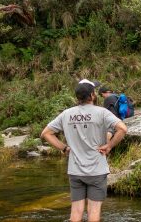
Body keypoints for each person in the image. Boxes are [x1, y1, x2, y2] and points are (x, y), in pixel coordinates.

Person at [41, 81, 127, 222]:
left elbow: (46, 133)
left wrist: (64, 148)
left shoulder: (66, 114)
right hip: (97, 170)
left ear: (77, 97)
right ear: (92, 95)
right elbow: (122, 128)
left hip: (75, 170)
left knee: (75, 212)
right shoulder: (102, 112)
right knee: (93, 212)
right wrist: (109, 145)